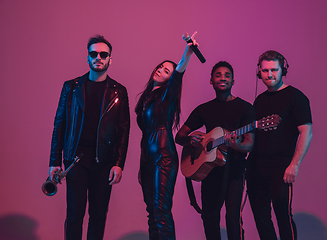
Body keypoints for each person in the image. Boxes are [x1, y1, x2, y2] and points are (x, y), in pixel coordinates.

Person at [48, 35, 130, 240]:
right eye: (94, 54)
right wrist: (54, 162)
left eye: (103, 54)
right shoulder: (71, 87)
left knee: (98, 216)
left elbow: (123, 130)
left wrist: (119, 163)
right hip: (75, 160)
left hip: (104, 162)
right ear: (88, 58)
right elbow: (60, 125)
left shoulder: (119, 91)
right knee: (75, 215)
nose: (98, 58)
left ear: (110, 59)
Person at [175, 61, 255, 240]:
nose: (223, 78)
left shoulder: (245, 108)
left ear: (233, 81)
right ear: (211, 80)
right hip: (209, 171)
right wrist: (191, 139)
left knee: (233, 218)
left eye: (227, 75)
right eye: (218, 75)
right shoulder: (204, 109)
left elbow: (249, 143)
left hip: (235, 171)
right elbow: (179, 137)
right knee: (209, 218)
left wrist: (236, 145)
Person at [135, 32, 199, 240]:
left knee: (161, 211)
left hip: (163, 156)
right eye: (160, 67)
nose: (161, 71)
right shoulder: (146, 98)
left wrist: (187, 52)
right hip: (147, 157)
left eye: (166, 71)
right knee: (152, 213)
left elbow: (179, 72)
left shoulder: (167, 95)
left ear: (170, 79)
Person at [246, 50, 313, 240]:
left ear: (283, 70)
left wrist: (295, 164)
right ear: (259, 72)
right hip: (256, 167)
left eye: (274, 70)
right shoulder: (259, 100)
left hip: (281, 167)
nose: (269, 75)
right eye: (265, 71)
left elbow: (306, 132)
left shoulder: (296, 97)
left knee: (282, 215)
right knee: (261, 217)